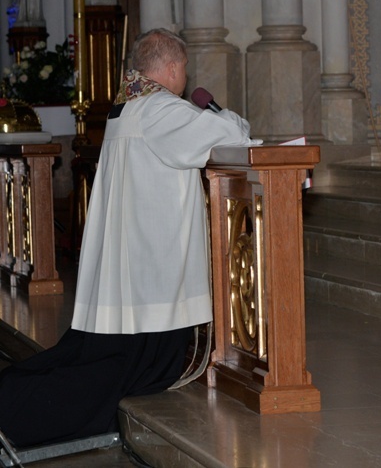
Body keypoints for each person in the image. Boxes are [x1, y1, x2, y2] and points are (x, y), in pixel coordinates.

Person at [0, 28, 259, 448]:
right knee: (105, 373)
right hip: (150, 287)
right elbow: (234, 135)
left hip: (130, 276)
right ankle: (13, 413)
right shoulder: (161, 109)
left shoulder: (128, 106)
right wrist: (224, 114)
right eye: (185, 68)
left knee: (85, 359)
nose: (185, 77)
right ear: (173, 67)